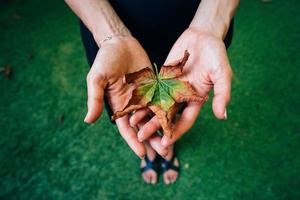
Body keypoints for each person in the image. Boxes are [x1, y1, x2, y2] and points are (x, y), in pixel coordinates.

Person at [65, 0, 239, 185]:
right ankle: (151, 147)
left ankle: (165, 141)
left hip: (190, 20)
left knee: (175, 105)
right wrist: (112, 35)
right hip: (107, 21)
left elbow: (186, 74)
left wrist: (209, 25)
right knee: (129, 103)